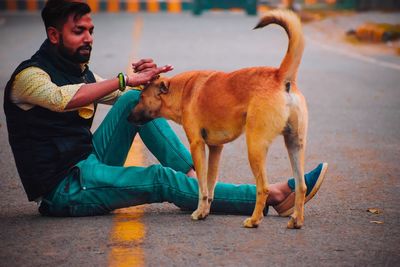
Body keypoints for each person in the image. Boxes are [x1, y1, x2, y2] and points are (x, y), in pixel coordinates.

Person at [4, 0, 328, 218]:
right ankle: (271, 196)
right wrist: (124, 78)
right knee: (160, 180)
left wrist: (146, 86)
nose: (89, 38)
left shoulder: (79, 70)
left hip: (89, 161)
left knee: (135, 102)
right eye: (79, 32)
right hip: (65, 188)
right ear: (53, 35)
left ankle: (193, 178)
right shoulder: (28, 78)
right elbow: (64, 98)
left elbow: (120, 96)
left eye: (91, 31)